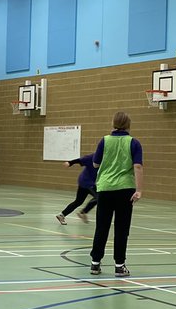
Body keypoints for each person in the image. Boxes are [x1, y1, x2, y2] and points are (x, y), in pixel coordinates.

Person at [88, 112, 143, 276]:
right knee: (122, 228)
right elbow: (138, 167)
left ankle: (95, 263)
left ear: (113, 123)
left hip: (105, 189)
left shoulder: (104, 141)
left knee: (101, 227)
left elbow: (95, 163)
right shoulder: (134, 143)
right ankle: (119, 265)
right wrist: (139, 190)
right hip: (125, 190)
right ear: (128, 124)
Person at [55, 153, 98, 225]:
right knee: (99, 197)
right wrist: (70, 163)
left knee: (78, 201)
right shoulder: (92, 157)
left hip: (87, 181)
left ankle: (61, 215)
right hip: (86, 181)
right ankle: (83, 212)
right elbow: (79, 160)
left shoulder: (108, 159)